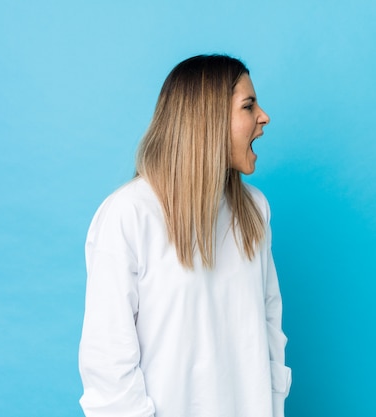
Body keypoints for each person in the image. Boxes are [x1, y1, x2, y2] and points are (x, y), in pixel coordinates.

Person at [78, 54, 291, 417]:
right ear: (207, 119)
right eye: (248, 105)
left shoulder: (254, 210)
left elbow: (271, 335)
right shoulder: (130, 214)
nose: (263, 116)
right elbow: (108, 366)